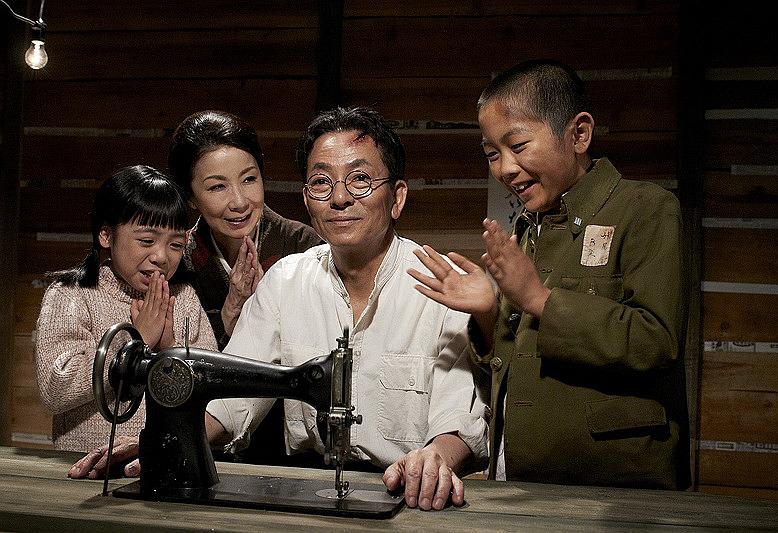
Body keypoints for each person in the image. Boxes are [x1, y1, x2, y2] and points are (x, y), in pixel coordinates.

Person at [70, 107, 488, 511]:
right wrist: (165, 443)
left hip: (410, 494)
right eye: (321, 182)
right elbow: (233, 403)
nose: (339, 198)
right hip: (309, 487)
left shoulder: (445, 286)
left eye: (360, 179)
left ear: (397, 197)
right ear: (307, 199)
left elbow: (460, 418)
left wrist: (436, 459)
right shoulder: (285, 282)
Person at [409, 60, 690, 489]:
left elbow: (656, 341)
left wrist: (539, 299)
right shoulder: (529, 227)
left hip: (617, 485)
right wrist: (488, 313)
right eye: (492, 154)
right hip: (524, 480)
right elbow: (513, 364)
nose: (504, 168)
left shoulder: (645, 208)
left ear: (579, 135)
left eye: (518, 145)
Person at [35, 165, 217, 452]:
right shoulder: (72, 294)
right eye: (146, 241)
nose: (161, 257)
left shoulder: (184, 298)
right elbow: (54, 390)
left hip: (166, 462)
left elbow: (213, 396)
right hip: (83, 464)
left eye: (176, 245)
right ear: (106, 235)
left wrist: (168, 349)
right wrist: (134, 345)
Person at [168, 110, 322, 349]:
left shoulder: (304, 246)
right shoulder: (177, 261)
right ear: (189, 196)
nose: (239, 202)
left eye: (249, 179)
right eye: (218, 187)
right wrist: (227, 316)